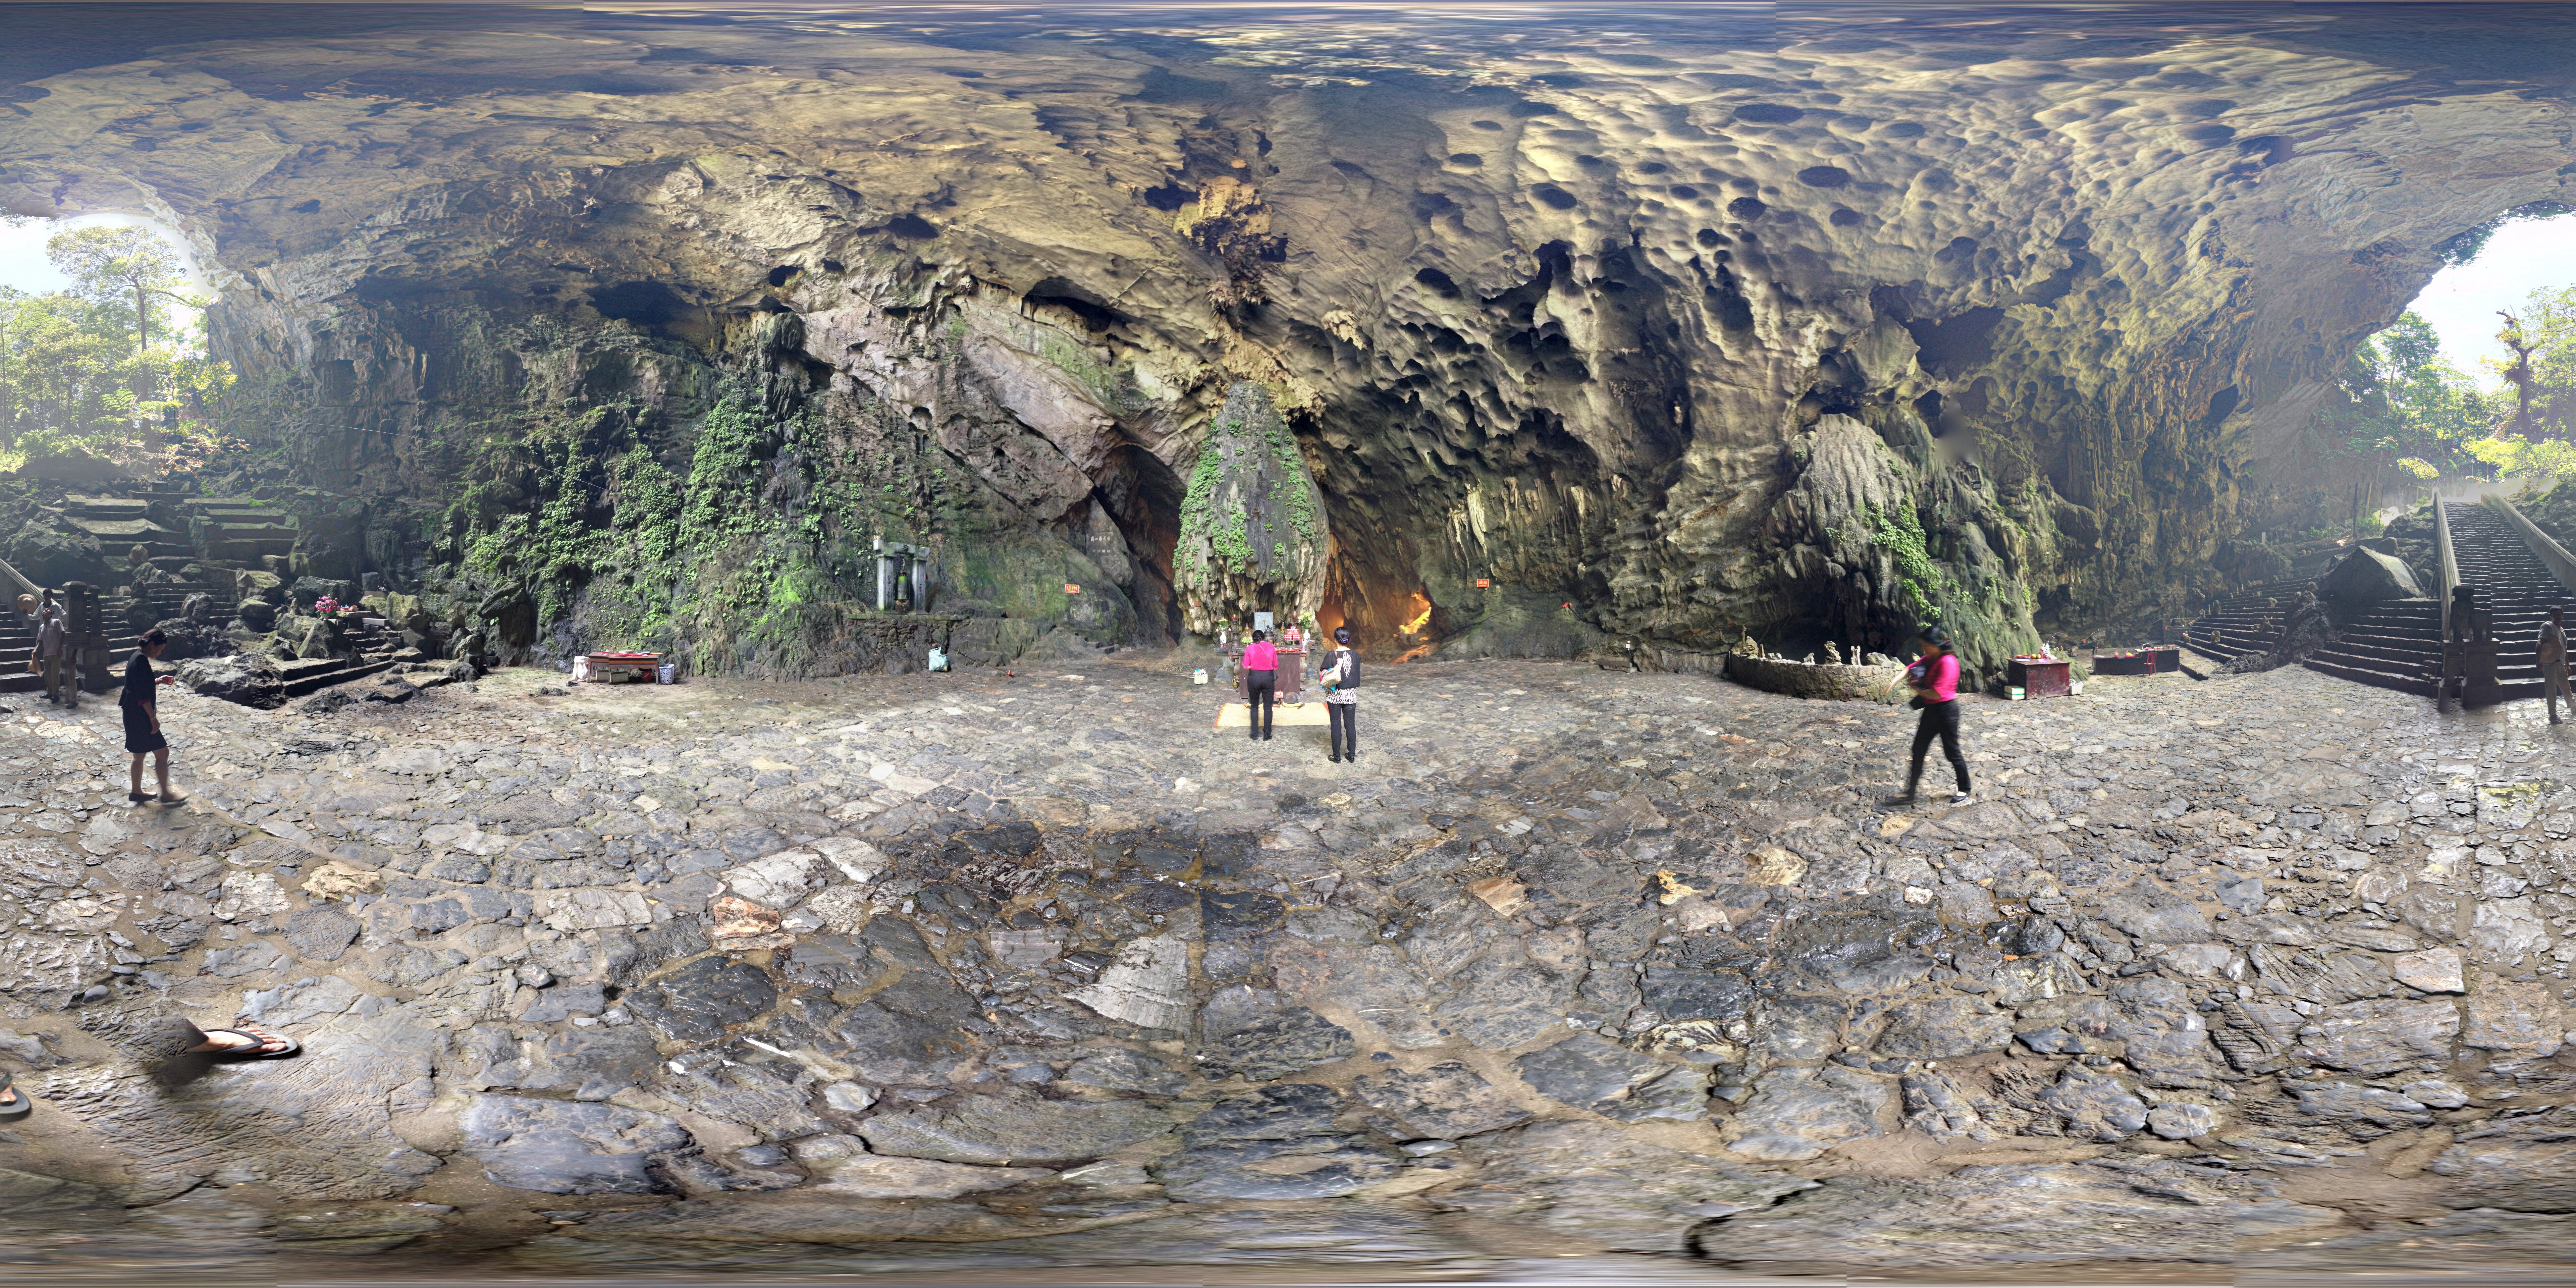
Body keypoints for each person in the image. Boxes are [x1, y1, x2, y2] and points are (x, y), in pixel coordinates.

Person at [1894, 624, 1973, 806]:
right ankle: (1910, 792)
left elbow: (1936, 694)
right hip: (1931, 711)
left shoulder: (1948, 662)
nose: (1923, 649)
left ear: (1935, 644)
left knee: (1952, 753)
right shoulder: (1931, 658)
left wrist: (1916, 689)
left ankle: (1965, 788)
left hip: (1946, 712)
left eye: (1925, 645)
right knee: (1918, 749)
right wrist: (1893, 681)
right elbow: (1911, 667)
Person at [122, 629, 186, 804]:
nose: (160, 652)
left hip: (131, 714)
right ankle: (165, 794)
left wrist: (157, 680)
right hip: (140, 716)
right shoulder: (141, 662)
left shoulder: (137, 656)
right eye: (160, 649)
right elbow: (143, 698)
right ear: (152, 644)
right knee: (163, 753)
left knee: (139, 755)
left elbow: (136, 684)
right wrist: (153, 719)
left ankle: (136, 791)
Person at [1320, 626, 1360, 762]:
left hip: (1334, 695)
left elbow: (1322, 674)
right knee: (1350, 725)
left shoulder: (1332, 654)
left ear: (1335, 639)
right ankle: (1352, 755)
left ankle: (1336, 757)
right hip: (1350, 695)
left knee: (1336, 724)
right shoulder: (1355, 655)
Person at [34, 593, 69, 707]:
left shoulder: (56, 622)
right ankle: (49, 693)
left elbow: (63, 634)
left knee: (55, 675)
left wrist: (60, 649)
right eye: (45, 611)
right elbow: (41, 641)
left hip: (56, 654)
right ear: (42, 615)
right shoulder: (42, 627)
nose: (46, 611)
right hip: (47, 654)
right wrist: (35, 650)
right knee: (47, 675)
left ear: (52, 614)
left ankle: (56, 694)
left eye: (48, 611)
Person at [1242, 628, 1277, 741]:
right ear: (1264, 638)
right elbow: (1275, 666)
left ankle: (1254, 734)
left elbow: (1245, 666)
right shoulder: (1271, 647)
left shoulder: (1250, 648)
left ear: (1253, 639)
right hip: (1268, 678)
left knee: (1254, 706)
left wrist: (1254, 666)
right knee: (1268, 707)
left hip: (1254, 678)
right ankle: (1267, 735)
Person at [2545, 606, 2571, 724]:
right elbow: (2540, 643)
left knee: (2566, 688)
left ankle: (2574, 707)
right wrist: (2538, 660)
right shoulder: (2547, 627)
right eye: (2554, 615)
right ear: (2551, 617)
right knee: (2551, 690)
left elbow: (2564, 649)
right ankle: (2552, 715)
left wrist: (2568, 665)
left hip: (2561, 664)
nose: (2557, 616)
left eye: (2559, 614)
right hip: (2551, 664)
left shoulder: (2561, 630)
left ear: (2563, 615)